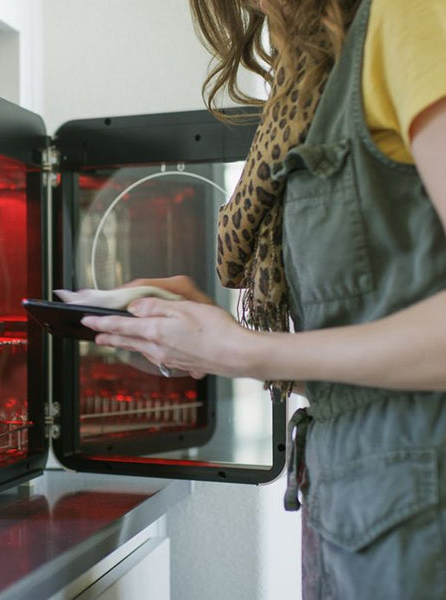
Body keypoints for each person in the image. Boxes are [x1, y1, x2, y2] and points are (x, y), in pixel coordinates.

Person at [81, 0, 446, 597]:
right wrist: (221, 345)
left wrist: (250, 352)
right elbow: (367, 388)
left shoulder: (410, 14)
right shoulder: (312, 75)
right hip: (359, 528)